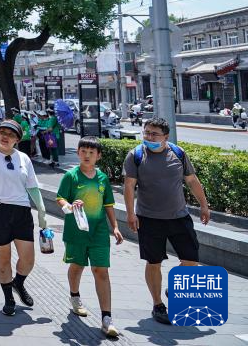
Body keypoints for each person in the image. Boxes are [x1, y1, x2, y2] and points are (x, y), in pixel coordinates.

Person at [122, 118, 211, 325]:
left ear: (166, 137)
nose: (149, 137)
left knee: (191, 260)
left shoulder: (178, 153)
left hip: (179, 217)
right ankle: (158, 304)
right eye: (146, 133)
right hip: (149, 219)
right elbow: (129, 186)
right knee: (154, 262)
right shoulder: (136, 155)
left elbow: (192, 180)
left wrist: (204, 205)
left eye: (154, 134)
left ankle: (174, 287)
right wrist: (130, 214)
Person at [0, 119, 48, 316]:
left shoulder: (24, 159)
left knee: (28, 259)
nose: (5, 137)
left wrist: (41, 210)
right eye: (2, 132)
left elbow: (32, 187)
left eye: (11, 134)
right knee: (4, 257)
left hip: (21, 211)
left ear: (17, 140)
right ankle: (9, 298)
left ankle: (18, 283)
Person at [56, 137, 124, 338]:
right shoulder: (71, 176)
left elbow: (108, 204)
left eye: (91, 152)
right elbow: (60, 197)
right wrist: (68, 206)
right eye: (83, 151)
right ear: (78, 153)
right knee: (77, 266)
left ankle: (107, 319)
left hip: (99, 232)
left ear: (98, 156)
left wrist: (115, 227)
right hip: (76, 231)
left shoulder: (102, 178)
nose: (87, 155)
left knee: (101, 271)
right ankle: (75, 296)